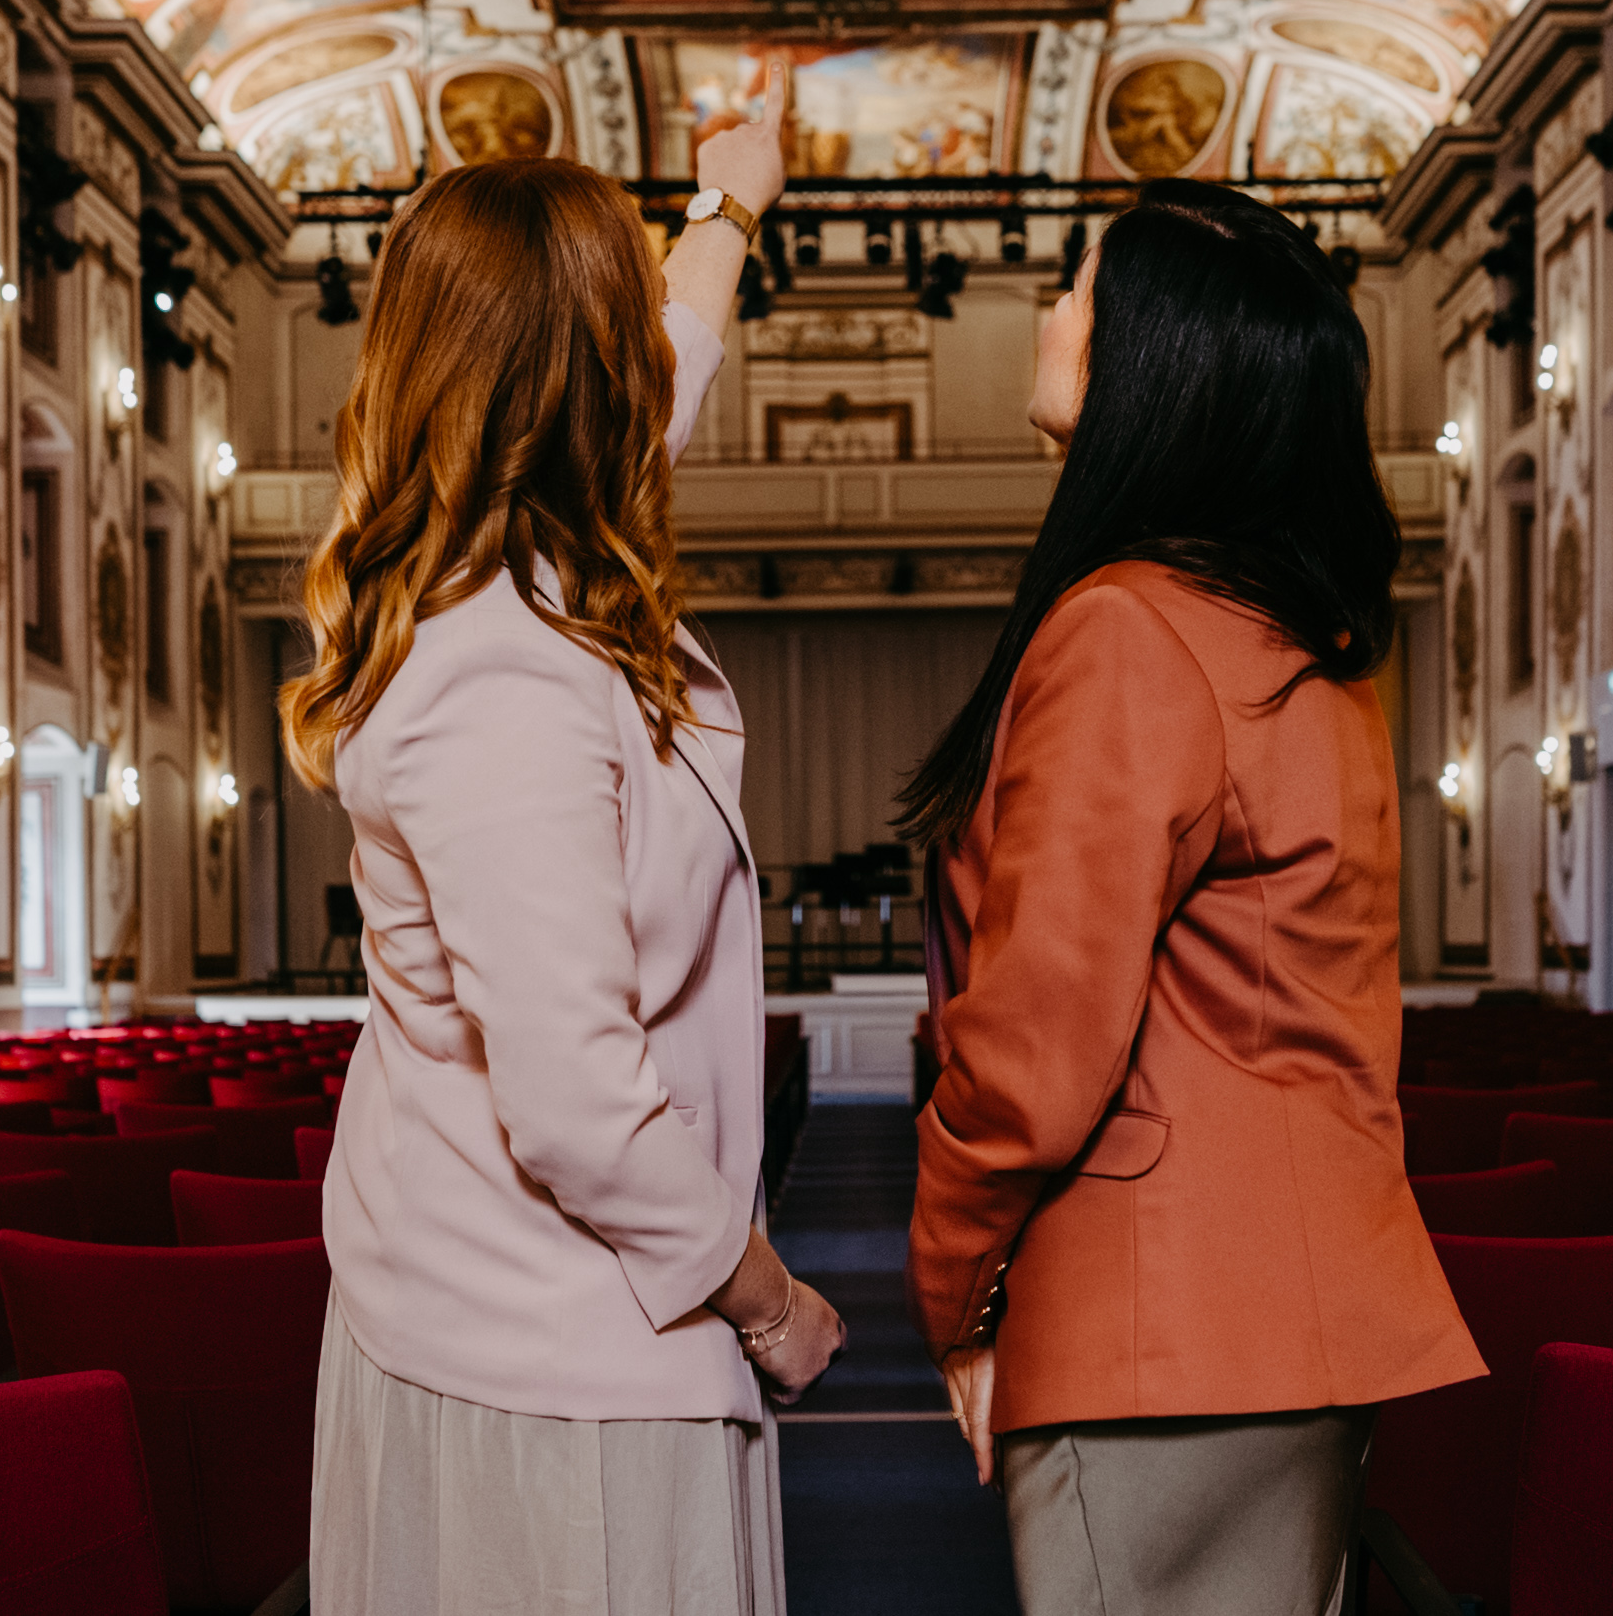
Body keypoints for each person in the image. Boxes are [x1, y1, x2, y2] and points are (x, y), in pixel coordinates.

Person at [286, 114, 843, 1616]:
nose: (659, 358)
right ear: (592, 376)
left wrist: (729, 201)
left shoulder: (518, 570)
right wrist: (771, 1300)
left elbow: (679, 357)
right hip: (550, 1370)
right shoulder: (498, 668)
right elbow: (579, 1102)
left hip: (554, 1327)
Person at [904, 181, 1482, 1614]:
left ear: (1150, 358)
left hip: (1163, 1332)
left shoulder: (1127, 629)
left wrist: (954, 1287)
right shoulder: (1302, 646)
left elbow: (1033, 1057)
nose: (1049, 311)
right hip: (1301, 1318)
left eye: (1077, 286)